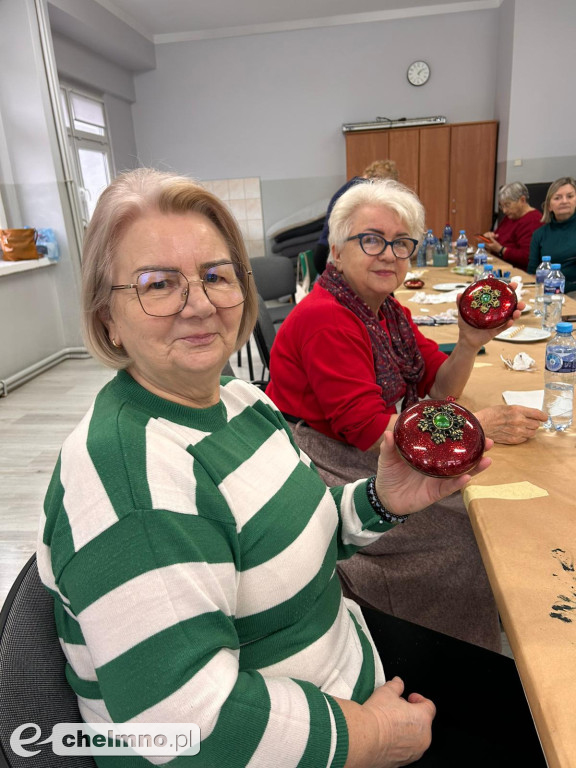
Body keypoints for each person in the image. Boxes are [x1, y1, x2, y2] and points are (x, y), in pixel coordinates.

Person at [35, 168, 500, 768]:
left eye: (215, 275)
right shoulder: (132, 482)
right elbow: (189, 733)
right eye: (157, 284)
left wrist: (382, 499)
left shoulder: (236, 398)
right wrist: (375, 735)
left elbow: (299, 532)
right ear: (106, 318)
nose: (198, 304)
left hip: (347, 671)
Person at [266, 179, 548, 651]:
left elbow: (438, 387)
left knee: (481, 503)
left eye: (401, 243)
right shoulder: (326, 318)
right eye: (371, 239)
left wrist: (469, 343)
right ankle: (444, 655)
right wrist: (476, 426)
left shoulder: (385, 311)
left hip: (370, 445)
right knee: (469, 531)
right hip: (325, 463)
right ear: (336, 250)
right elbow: (372, 433)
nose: (388, 254)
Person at [314, 159, 399, 275]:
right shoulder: (360, 191)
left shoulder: (352, 186)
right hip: (329, 253)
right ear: (378, 180)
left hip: (326, 250)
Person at [528, 176, 576, 296]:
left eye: (570, 196)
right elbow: (532, 272)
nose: (564, 201)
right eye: (557, 198)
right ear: (549, 206)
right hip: (546, 293)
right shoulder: (539, 234)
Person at [481, 182, 542, 270]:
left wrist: (500, 249)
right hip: (498, 264)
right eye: (502, 206)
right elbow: (500, 237)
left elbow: (527, 257)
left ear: (522, 200)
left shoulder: (534, 221)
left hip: (517, 272)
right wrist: (490, 238)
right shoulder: (511, 216)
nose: (504, 211)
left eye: (507, 205)